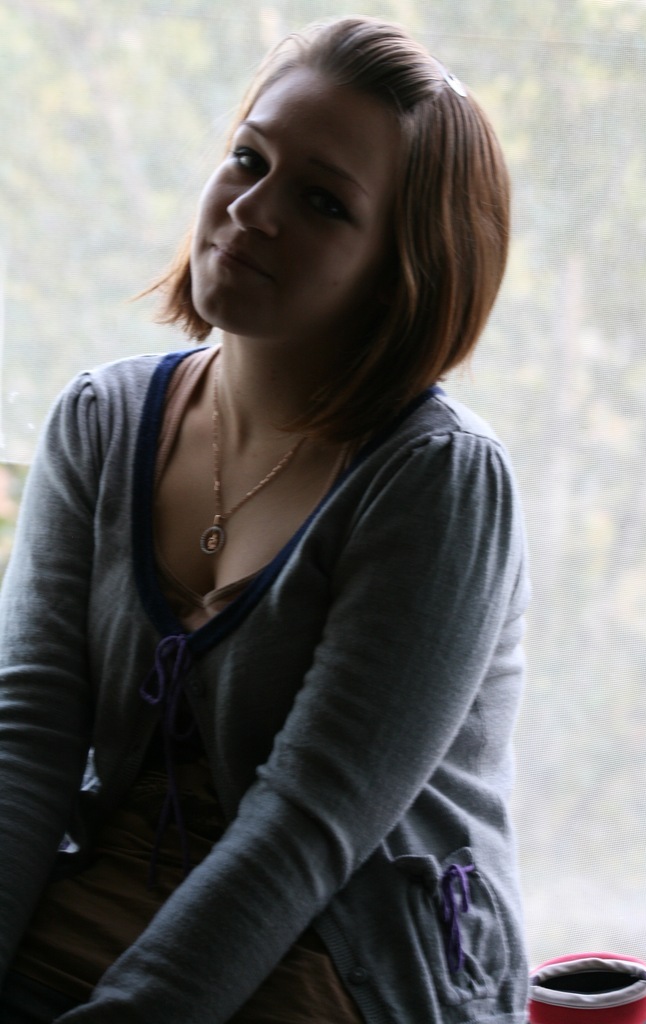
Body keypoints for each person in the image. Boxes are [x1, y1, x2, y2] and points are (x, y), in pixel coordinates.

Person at [0, 15, 530, 1024]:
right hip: (97, 912)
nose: (251, 209)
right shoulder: (103, 422)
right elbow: (26, 739)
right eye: (249, 158)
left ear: (406, 267)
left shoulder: (438, 481)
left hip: (345, 953)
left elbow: (308, 823)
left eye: (323, 201)